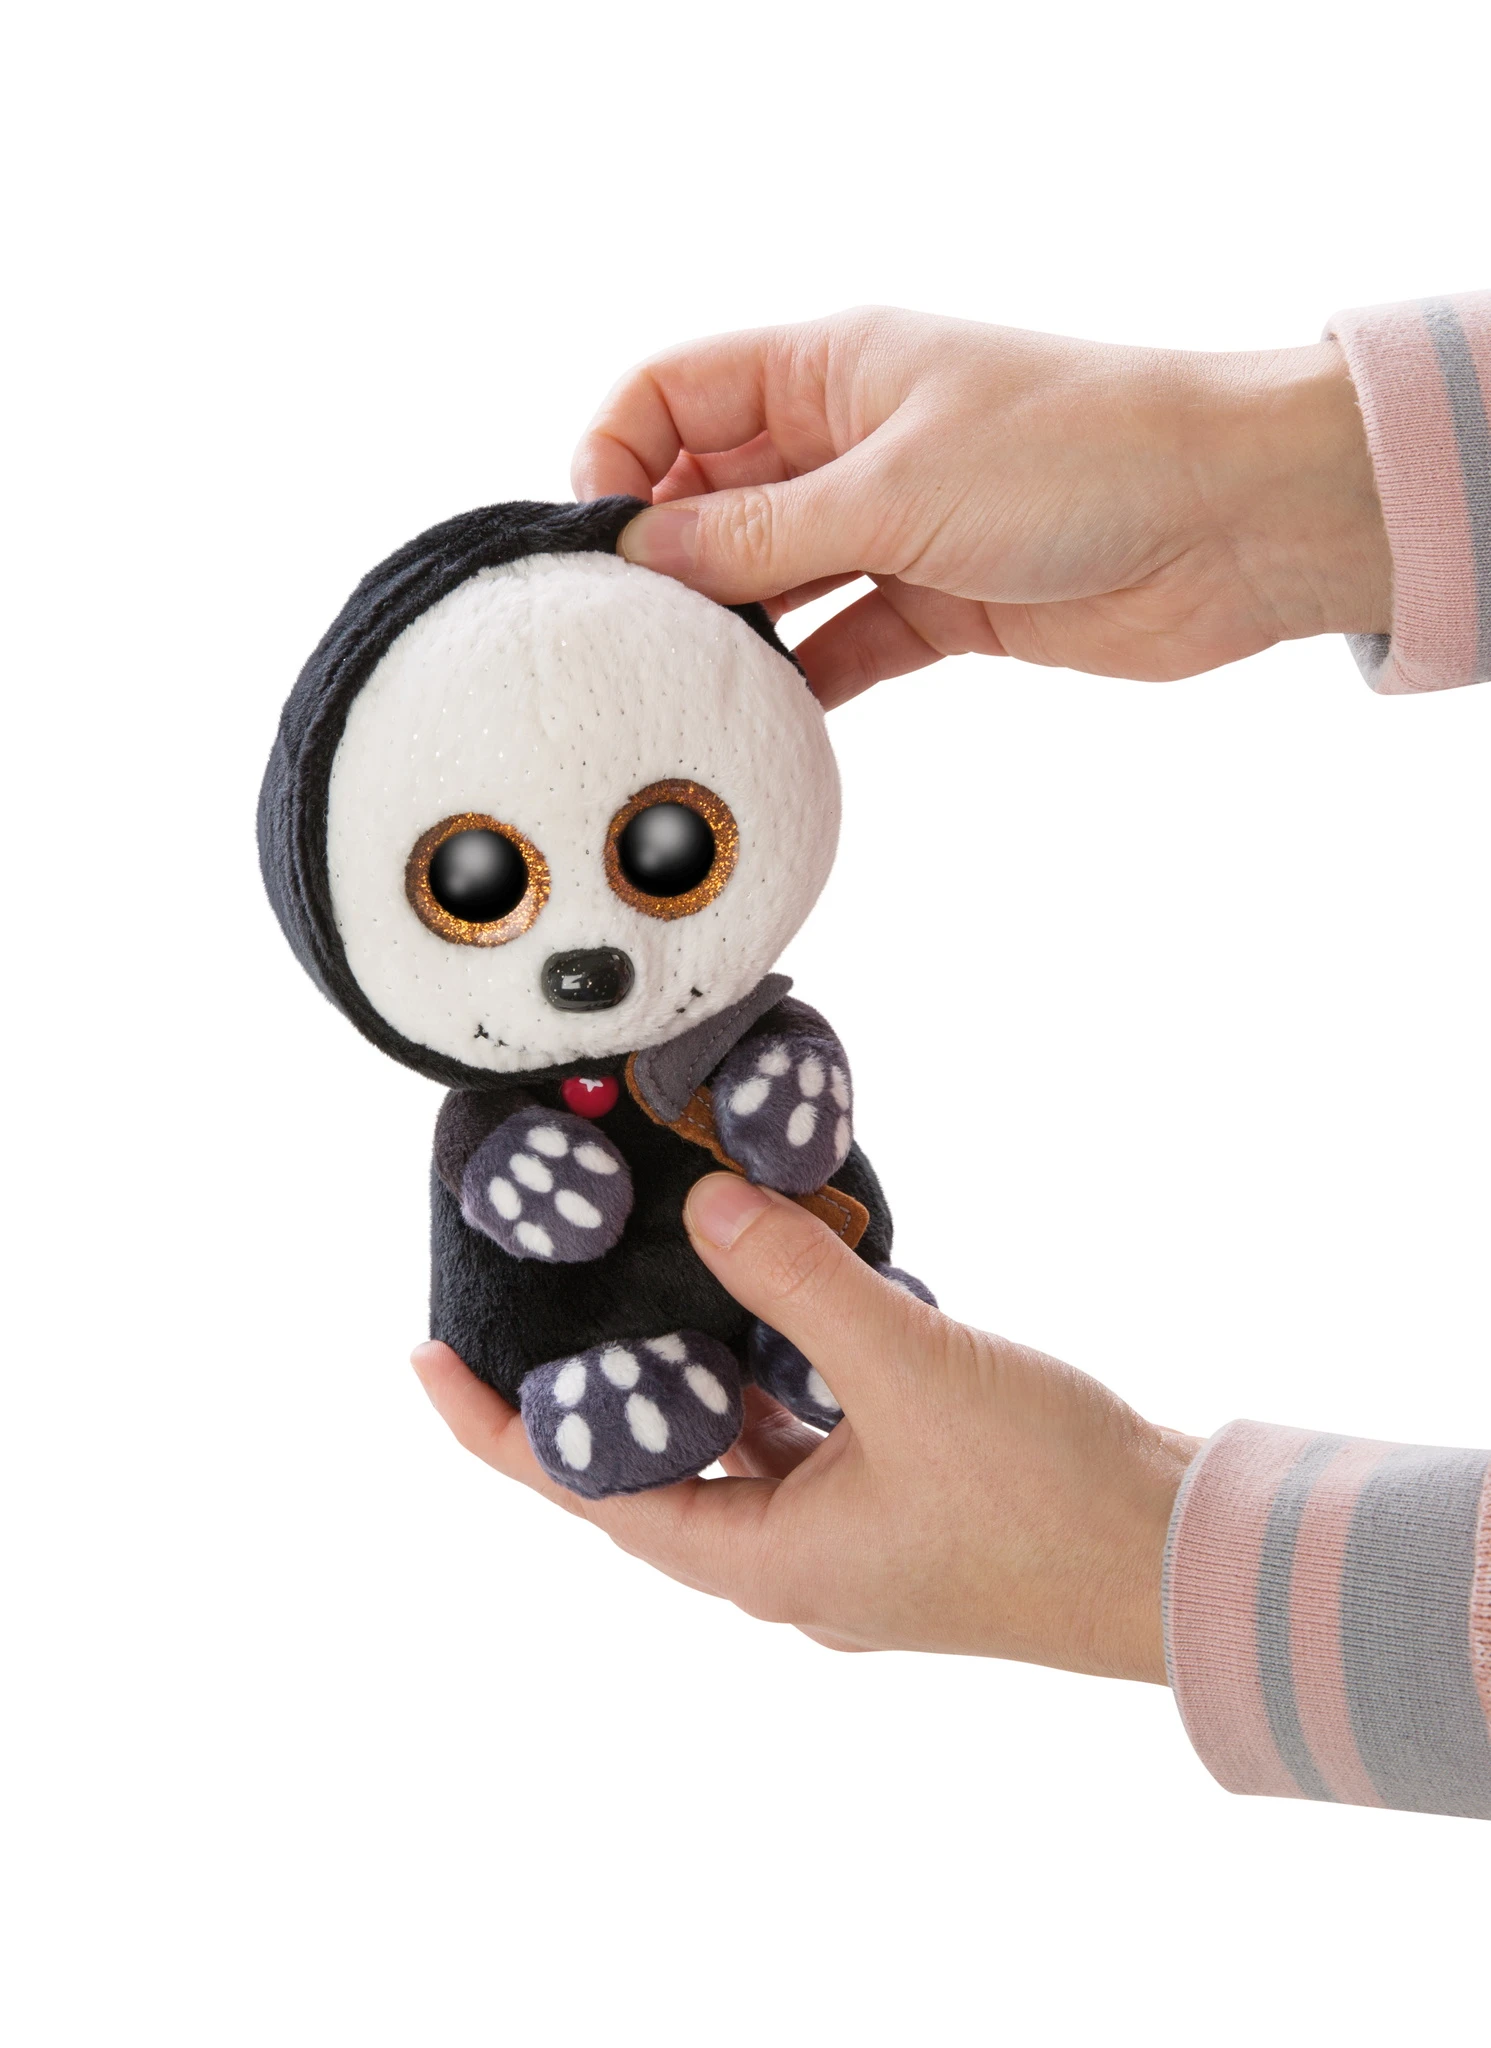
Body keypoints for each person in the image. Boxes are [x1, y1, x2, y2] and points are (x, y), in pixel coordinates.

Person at [413, 296, 1491, 1822]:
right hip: (576, 1312)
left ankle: (797, 1343)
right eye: (480, 887)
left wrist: (1136, 1557)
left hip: (771, 1261)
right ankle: (672, 1370)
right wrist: (1273, 480)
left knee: (802, 1187)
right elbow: (499, 1191)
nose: (589, 944)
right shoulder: (498, 1093)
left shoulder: (733, 1012)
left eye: (660, 853)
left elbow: (798, 1110)